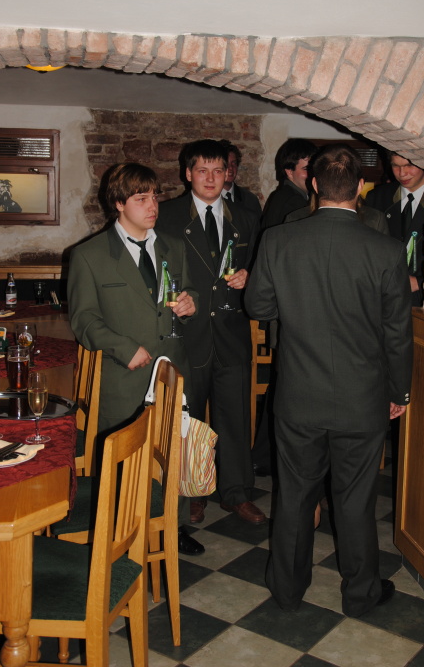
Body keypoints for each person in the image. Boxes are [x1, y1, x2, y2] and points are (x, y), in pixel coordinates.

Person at [245, 146, 413, 617]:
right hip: (363, 398)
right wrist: (399, 391)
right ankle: (360, 594)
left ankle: (287, 591)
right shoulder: (385, 249)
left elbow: (258, 306)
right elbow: (398, 333)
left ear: (315, 185)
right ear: (360, 188)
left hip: (298, 396)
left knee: (295, 496)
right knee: (356, 500)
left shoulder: (279, 239)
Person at [68, 162, 203, 555]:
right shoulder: (89, 255)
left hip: (172, 371)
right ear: (118, 203)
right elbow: (84, 320)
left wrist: (190, 303)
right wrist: (123, 348)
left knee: (173, 452)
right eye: (141, 198)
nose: (152, 205)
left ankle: (173, 526)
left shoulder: (174, 246)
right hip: (123, 378)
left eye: (154, 196)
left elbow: (187, 291)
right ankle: (123, 533)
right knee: (126, 462)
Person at [157, 139, 266, 525]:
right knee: (189, 420)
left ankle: (237, 493)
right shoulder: (167, 215)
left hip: (232, 332)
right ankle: (193, 492)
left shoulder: (246, 217)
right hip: (188, 333)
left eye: (218, 170)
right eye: (202, 170)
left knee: (235, 416)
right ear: (187, 174)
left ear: (227, 174)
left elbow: (261, 267)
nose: (210, 178)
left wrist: (251, 276)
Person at [365, 152, 424, 306]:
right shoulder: (377, 197)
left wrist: (420, 282)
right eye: (395, 166)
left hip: (423, 300)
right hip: (381, 298)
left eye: (409, 165)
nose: (402, 173)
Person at [261, 138, 317, 229]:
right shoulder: (294, 202)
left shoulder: (281, 195)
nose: (312, 173)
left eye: (314, 168)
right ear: (290, 172)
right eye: (306, 169)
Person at [219, 140, 262, 218]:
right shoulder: (207, 198)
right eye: (226, 164)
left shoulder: (250, 199)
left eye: (233, 163)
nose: (230, 168)